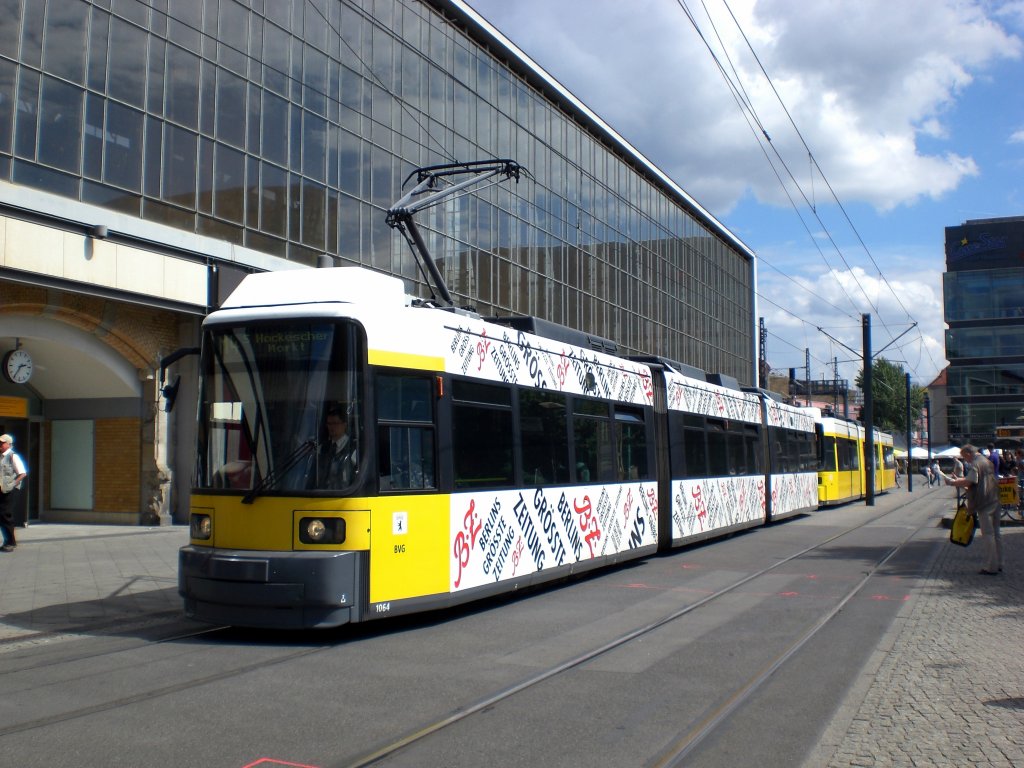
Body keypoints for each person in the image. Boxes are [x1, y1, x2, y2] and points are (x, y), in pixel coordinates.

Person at [945, 444, 1001, 575]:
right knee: (996, 534)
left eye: (965, 457)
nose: (965, 460)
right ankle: (999, 563)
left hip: (984, 502)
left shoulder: (975, 463)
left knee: (988, 534)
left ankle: (991, 567)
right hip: (995, 498)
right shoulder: (986, 461)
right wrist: (960, 479)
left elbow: (970, 482)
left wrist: (952, 482)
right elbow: (974, 480)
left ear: (969, 453)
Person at [316, 407, 357, 489]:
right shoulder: (321, 448)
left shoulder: (354, 449)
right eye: (329, 423)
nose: (331, 427)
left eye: (335, 423)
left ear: (344, 425)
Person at [0, 433, 27, 552]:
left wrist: (12, 485)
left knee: (6, 514)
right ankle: (7, 541)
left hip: (9, 490)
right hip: (1, 490)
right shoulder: (0, 456)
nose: (0, 445)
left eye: (2, 443)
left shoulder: (12, 456)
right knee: (1, 515)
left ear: (8, 444)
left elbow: (22, 473)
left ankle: (11, 542)